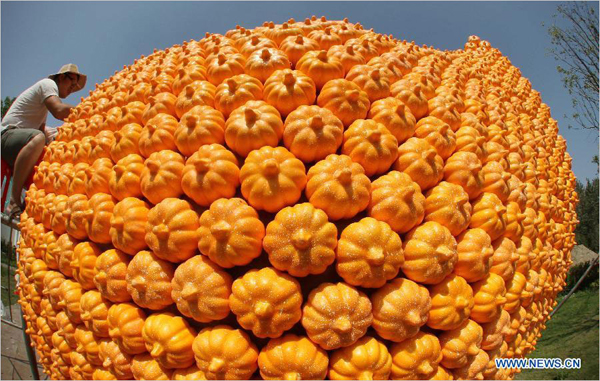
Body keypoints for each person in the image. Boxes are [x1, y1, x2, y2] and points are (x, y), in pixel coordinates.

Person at [1, 64, 87, 218]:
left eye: (75, 87)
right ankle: (14, 201)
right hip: (6, 136)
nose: (72, 89)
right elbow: (59, 110)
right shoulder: (48, 85)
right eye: (72, 83)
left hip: (19, 143)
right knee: (37, 139)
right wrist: (87, 111)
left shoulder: (43, 106)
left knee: (48, 150)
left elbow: (43, 131)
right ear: (61, 77)